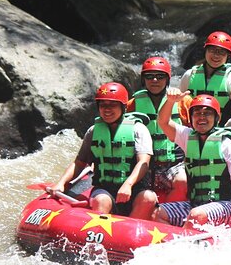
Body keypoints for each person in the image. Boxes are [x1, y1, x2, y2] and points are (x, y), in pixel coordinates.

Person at [52, 82, 157, 219]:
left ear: (123, 107)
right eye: (103, 105)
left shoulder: (138, 129)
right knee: (101, 200)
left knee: (148, 197)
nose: (107, 109)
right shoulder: (93, 131)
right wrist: (61, 183)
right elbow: (79, 163)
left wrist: (128, 185)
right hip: (105, 189)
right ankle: (98, 234)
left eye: (112, 105)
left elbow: (143, 162)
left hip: (134, 188)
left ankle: (131, 234)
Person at [153, 91, 231, 233]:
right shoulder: (187, 137)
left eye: (207, 114)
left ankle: (181, 244)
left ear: (216, 118)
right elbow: (163, 122)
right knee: (156, 212)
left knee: (196, 215)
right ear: (191, 118)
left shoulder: (227, 145)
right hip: (196, 204)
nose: (201, 118)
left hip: (226, 206)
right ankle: (183, 238)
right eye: (197, 114)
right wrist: (170, 101)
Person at [127, 56, 187, 202]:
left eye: (160, 76)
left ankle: (167, 214)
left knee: (182, 182)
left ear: (167, 79)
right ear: (143, 80)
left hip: (173, 164)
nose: (155, 80)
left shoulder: (183, 102)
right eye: (150, 76)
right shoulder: (132, 104)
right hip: (144, 165)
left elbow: (199, 132)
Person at [178, 31, 231, 123]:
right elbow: (179, 102)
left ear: (228, 55)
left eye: (221, 52)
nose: (216, 55)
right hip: (193, 128)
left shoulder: (230, 76)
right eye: (212, 50)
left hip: (220, 130)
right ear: (205, 50)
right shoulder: (190, 74)